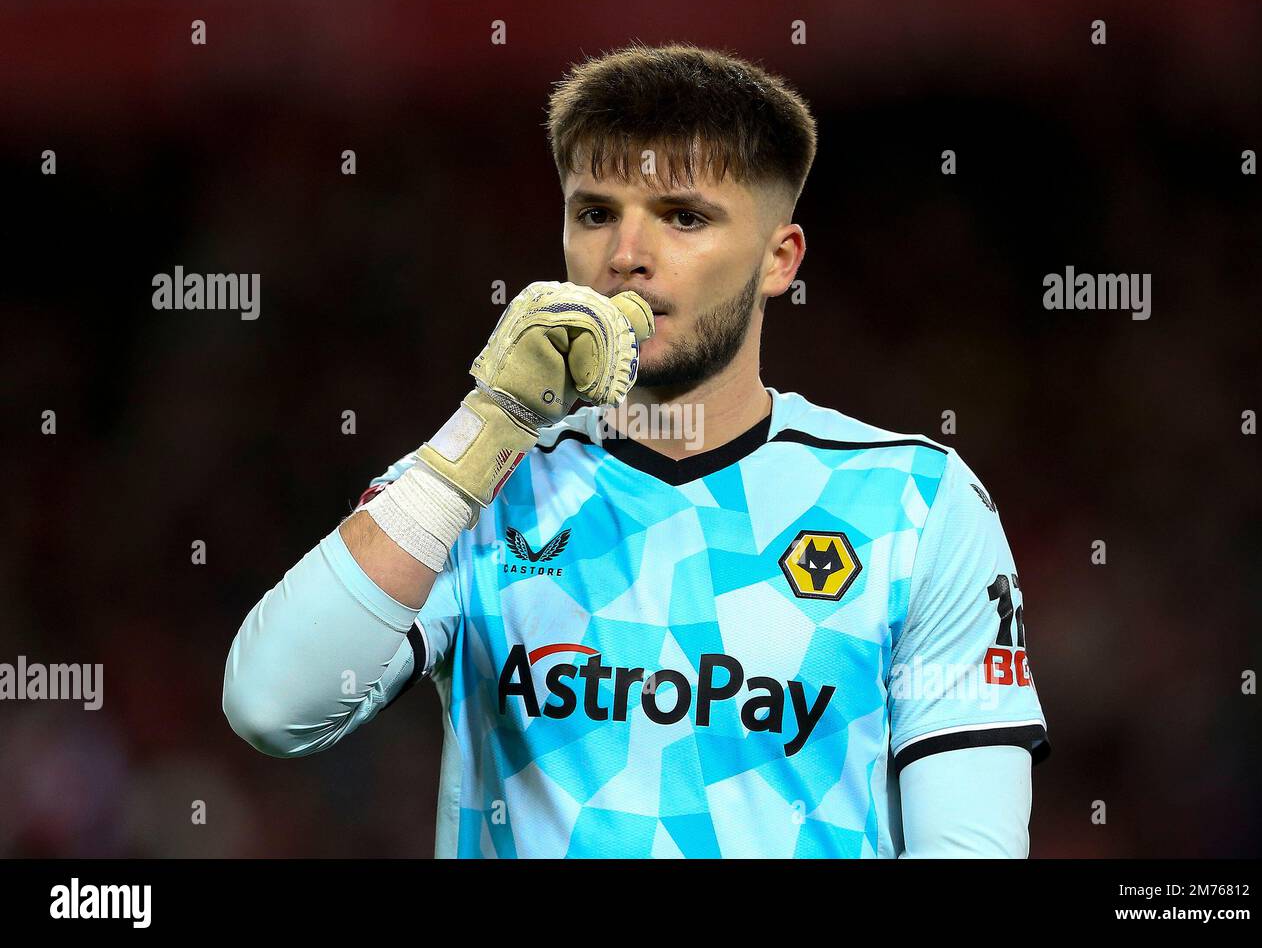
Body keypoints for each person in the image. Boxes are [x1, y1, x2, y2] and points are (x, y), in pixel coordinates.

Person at [223, 42, 1049, 858]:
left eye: (684, 217)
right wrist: (493, 422)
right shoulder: (477, 481)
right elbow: (270, 706)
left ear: (778, 260)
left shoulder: (914, 502)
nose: (626, 257)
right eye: (595, 213)